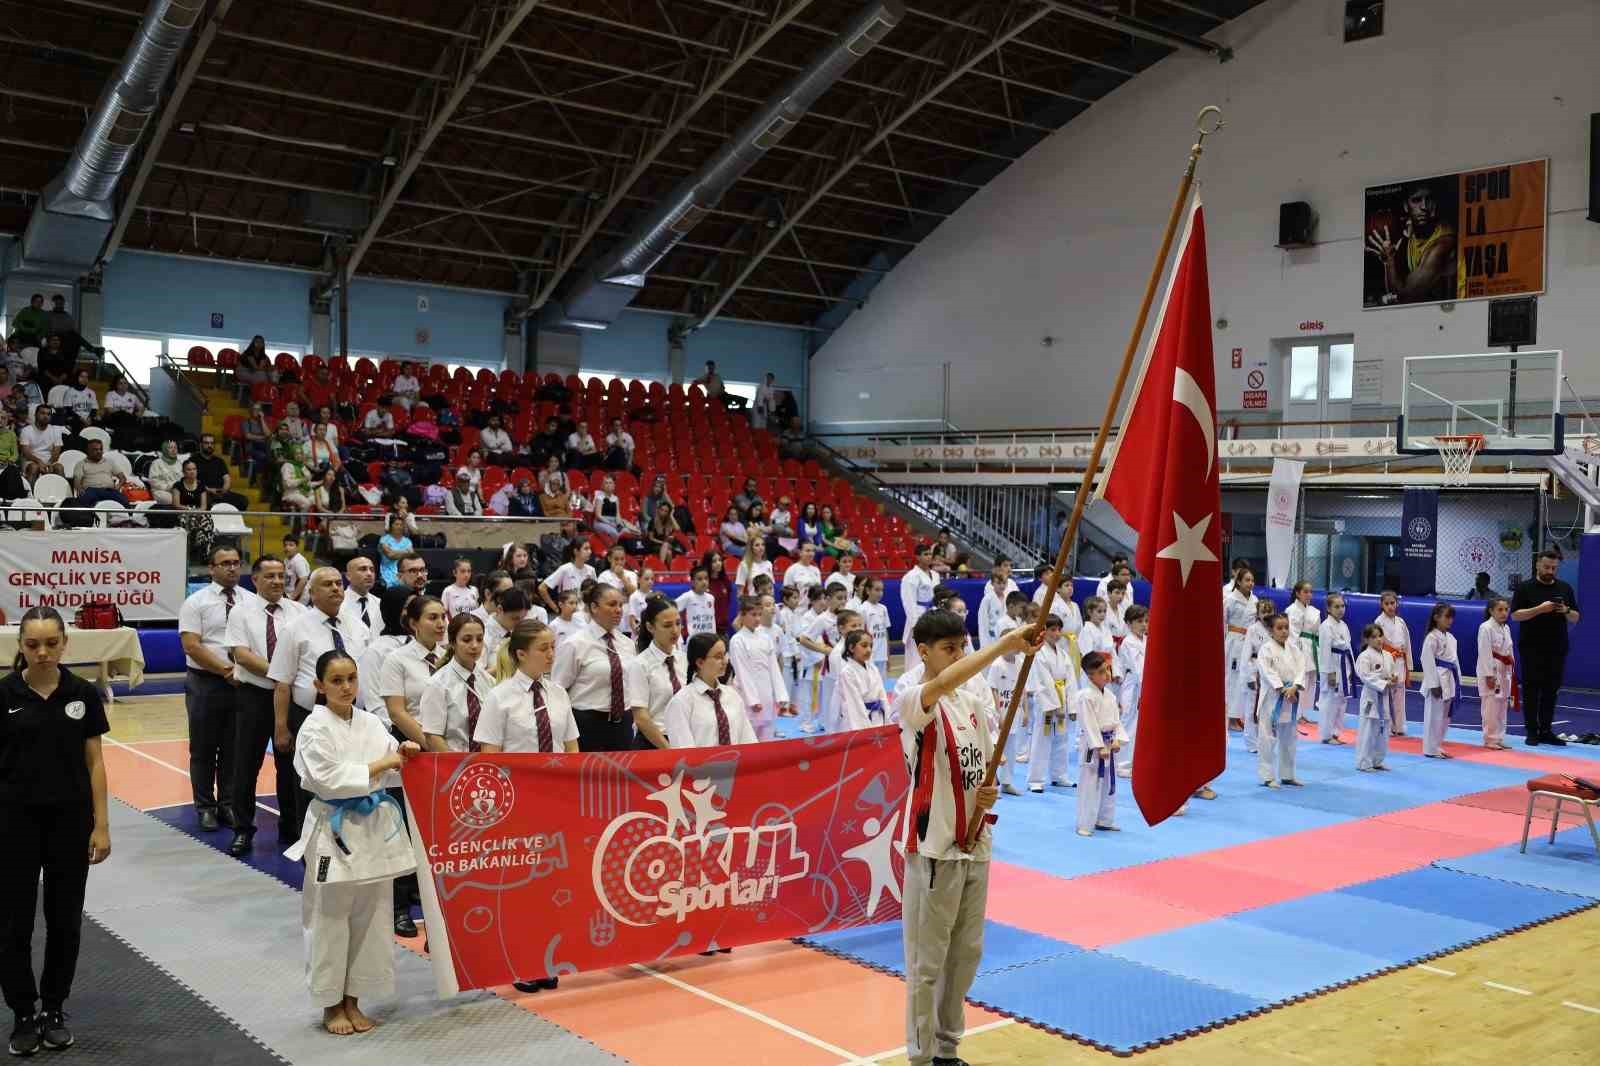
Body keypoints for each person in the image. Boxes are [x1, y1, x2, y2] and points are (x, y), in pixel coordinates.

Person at [895, 612, 1036, 1066]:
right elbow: (940, 687)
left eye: (962, 646)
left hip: (975, 842)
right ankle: (921, 1055)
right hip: (934, 846)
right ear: (924, 651)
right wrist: (1002, 646)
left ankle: (947, 1049)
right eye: (949, 648)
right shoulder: (912, 697)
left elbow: (977, 766)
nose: (957, 656)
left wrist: (986, 792)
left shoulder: (971, 702)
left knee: (966, 956)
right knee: (927, 963)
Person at [286, 649, 419, 1036]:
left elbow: (393, 757)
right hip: (333, 827)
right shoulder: (313, 728)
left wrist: (404, 752)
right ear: (319, 685)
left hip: (374, 826)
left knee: (373, 915)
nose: (346, 688)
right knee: (329, 917)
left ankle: (355, 999)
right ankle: (331, 1004)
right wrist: (383, 764)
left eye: (352, 679)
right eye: (337, 681)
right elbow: (327, 778)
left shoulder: (371, 723)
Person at [1, 607, 112, 1057]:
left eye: (51, 643)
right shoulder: (3, 694)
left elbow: (96, 762)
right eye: (32, 645)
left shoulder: (83, 693)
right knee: (13, 924)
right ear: (21, 646)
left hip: (70, 823)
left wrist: (101, 825)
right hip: (12, 823)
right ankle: (23, 1013)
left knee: (65, 921)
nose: (42, 652)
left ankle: (53, 1008)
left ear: (65, 643)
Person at [267, 568, 372, 841]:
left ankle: (347, 836)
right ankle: (306, 839)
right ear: (312, 593)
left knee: (347, 776)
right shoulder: (295, 628)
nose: (336, 588)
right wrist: (281, 726)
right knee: (306, 782)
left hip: (351, 716)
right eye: (327, 584)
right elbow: (282, 681)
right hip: (307, 715)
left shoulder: (357, 626)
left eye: (339, 583)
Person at [224, 555, 304, 856]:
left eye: (281, 575)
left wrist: (286, 678)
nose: (277, 581)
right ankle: (243, 829)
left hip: (289, 697)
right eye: (269, 576)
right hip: (254, 696)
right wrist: (280, 671)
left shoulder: (298, 612)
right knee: (246, 765)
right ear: (255, 580)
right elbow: (241, 655)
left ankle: (291, 828)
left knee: (290, 766)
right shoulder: (241, 613)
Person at [178, 545, 254, 831]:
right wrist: (225, 670)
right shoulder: (195, 602)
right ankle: (205, 807)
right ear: (212, 568)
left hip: (241, 684)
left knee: (234, 748)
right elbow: (191, 645)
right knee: (204, 749)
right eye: (225, 564)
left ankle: (227, 804)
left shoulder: (250, 600)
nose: (232, 568)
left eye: (236, 562)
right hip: (206, 683)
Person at [551, 584, 664, 751]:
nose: (618, 610)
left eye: (620, 605)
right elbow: (557, 690)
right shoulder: (574, 644)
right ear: (594, 607)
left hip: (623, 724)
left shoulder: (627, 644)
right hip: (587, 724)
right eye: (612, 605)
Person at [1510, 549, 1580, 746]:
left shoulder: (1565, 588)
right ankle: (1532, 730)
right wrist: (1539, 609)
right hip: (1532, 647)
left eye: (1554, 568)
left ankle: (1546, 730)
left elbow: (1576, 617)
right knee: (1532, 690)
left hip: (1556, 647)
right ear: (1538, 565)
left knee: (1551, 690)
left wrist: (1565, 610)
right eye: (1547, 567)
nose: (1550, 571)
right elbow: (1515, 615)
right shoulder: (1525, 588)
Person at [1366, 181, 1458, 304]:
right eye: (1416, 200)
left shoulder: (1442, 245)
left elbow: (1404, 298)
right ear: (1406, 206)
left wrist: (1389, 262)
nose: (1424, 206)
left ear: (1435, 204)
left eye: (1429, 199)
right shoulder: (1410, 233)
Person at [419, 614, 490, 753]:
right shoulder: (438, 684)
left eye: (479, 639)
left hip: (486, 765)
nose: (475, 645)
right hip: (454, 766)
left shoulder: (488, 680)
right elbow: (432, 736)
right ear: (452, 642)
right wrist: (459, 768)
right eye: (466, 639)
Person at [1074, 650, 1126, 836]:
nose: (1108, 674)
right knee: (1090, 783)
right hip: (1093, 745)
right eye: (1102, 672)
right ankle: (1084, 823)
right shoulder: (1085, 696)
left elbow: (1116, 721)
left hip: (1109, 742)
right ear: (1090, 675)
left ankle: (1104, 819)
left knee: (1109, 782)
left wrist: (1118, 738)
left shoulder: (1110, 696)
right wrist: (1100, 745)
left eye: (1108, 670)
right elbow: (1089, 724)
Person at [1256, 613, 1308, 788]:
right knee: (1267, 738)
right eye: (1280, 628)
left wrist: (1295, 686)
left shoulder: (1294, 649)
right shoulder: (1266, 649)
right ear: (1271, 630)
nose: (1284, 631)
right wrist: (1282, 688)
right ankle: (1267, 776)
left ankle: (1287, 774)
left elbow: (1302, 668)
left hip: (1291, 697)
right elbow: (1266, 671)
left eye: (1286, 627)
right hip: (1272, 698)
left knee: (1289, 738)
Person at [1026, 615, 1076, 793]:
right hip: (1047, 701)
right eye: (1053, 629)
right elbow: (1044, 681)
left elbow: (1071, 680)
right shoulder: (1040, 653)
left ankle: (1059, 775)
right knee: (1042, 739)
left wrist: (1072, 706)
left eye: (1059, 629)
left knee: (1062, 739)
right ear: (1043, 631)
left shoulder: (1062, 654)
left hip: (1062, 697)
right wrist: (1053, 705)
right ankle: (1036, 779)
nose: (1057, 633)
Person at [728, 596, 787, 740]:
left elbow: (774, 668)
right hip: (747, 696)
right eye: (753, 615)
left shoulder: (765, 638)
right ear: (742, 615)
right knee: (749, 739)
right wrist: (752, 700)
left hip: (767, 694)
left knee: (767, 739)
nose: (757, 619)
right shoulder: (737, 640)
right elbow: (742, 672)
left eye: (759, 614)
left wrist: (780, 694)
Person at [1418, 602, 1460, 759]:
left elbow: (1455, 662)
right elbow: (1426, 659)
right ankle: (1430, 748)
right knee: (1433, 715)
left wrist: (1458, 682)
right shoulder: (1432, 637)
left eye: (1452, 617)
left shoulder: (1451, 638)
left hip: (1449, 678)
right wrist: (1433, 684)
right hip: (1437, 677)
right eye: (1447, 617)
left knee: (1444, 716)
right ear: (1436, 618)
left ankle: (1437, 745)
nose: (1450, 620)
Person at [1354, 624, 1396, 772]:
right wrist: (1384, 682)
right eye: (1374, 637)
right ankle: (1364, 762)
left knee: (1382, 731)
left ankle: (1377, 760)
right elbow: (1365, 676)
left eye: (1380, 635)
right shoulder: (1364, 656)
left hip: (1384, 697)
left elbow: (1392, 673)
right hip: (1371, 698)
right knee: (1368, 730)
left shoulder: (1388, 656)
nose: (1378, 639)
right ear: (1366, 640)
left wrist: (1393, 679)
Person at [1476, 596, 1515, 751]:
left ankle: (1499, 737)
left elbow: (1510, 651)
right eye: (1500, 609)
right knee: (1490, 707)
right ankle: (1490, 738)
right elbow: (1484, 652)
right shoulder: (1485, 627)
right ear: (1491, 611)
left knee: (1502, 706)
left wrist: (1512, 669)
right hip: (1491, 669)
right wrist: (1489, 675)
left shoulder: (1506, 628)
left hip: (1504, 670)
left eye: (1506, 609)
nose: (1504, 612)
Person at [1222, 567, 1258, 733]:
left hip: (1249, 643)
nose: (1250, 583)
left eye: (1252, 580)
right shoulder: (1230, 599)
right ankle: (1230, 717)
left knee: (1245, 678)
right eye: (1247, 580)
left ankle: (1239, 715)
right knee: (1233, 678)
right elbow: (1222, 622)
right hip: (1234, 641)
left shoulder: (1255, 600)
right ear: (1238, 582)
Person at [1317, 592, 1355, 745]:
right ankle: (1326, 734)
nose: (1340, 609)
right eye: (1336, 606)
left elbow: (1349, 648)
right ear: (1328, 608)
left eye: (1342, 606)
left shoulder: (1343, 625)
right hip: (1332, 664)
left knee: (1341, 700)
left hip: (1343, 664)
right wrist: (1329, 672)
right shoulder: (1326, 626)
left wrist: (1352, 669)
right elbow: (1325, 651)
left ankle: (1335, 732)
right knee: (1329, 701)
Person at [1115, 604, 1148, 777]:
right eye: (1139, 621)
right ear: (1128, 623)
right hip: (1133, 685)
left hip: (1142, 684)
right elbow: (1138, 669)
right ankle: (1122, 764)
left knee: (1138, 725)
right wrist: (1144, 691)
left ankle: (1134, 760)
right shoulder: (1129, 642)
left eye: (1145, 621)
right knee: (1128, 723)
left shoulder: (1145, 640)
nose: (1144, 625)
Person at [1374, 590, 1413, 737]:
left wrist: (1409, 664)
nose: (1390, 606)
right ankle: (1386, 724)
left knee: (1399, 694)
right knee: (1386, 693)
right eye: (1387, 604)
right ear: (1382, 605)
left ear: (1397, 604)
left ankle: (1399, 725)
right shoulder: (1379, 621)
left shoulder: (1401, 622)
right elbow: (1377, 643)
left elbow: (1407, 644)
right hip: (1386, 659)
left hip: (1400, 661)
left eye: (1393, 603)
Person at [1286, 580, 1321, 726]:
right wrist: (1295, 652)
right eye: (1305, 591)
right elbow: (1292, 633)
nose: (1309, 594)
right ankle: (1297, 712)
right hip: (1299, 646)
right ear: (1297, 593)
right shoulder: (1292, 610)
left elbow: (1318, 632)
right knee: (1301, 679)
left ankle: (1305, 712)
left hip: (1313, 646)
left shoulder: (1313, 610)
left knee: (1311, 681)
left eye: (1310, 592)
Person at [899, 543, 937, 669]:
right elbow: (908, 602)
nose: (929, 556)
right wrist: (915, 625)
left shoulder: (935, 575)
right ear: (917, 557)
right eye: (925, 554)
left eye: (930, 554)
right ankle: (912, 685)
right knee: (915, 657)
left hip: (933, 615)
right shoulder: (910, 577)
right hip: (918, 615)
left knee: (931, 652)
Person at [192, 432, 249, 510]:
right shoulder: (193, 460)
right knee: (205, 501)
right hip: (203, 492)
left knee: (243, 501)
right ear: (201, 445)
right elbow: (192, 480)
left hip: (219, 493)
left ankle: (230, 520)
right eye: (206, 443)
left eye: (212, 443)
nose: (209, 445)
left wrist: (224, 490)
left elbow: (227, 479)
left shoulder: (219, 461)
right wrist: (208, 490)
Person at [540, 540, 596, 614]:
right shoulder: (565, 569)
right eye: (586, 549)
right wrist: (556, 609)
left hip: (587, 615)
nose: (590, 551)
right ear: (576, 551)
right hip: (569, 616)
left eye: (590, 548)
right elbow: (542, 588)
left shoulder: (591, 570)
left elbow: (596, 594)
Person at [71, 438, 131, 507]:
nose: (99, 451)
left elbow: (122, 478)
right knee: (82, 503)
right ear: (88, 451)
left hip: (109, 490)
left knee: (125, 502)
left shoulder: (109, 462)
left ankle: (128, 517)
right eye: (95, 450)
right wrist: (79, 488)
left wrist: (118, 486)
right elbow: (77, 479)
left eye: (100, 449)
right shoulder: (81, 464)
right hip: (91, 490)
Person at [977, 557, 1018, 648]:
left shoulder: (1009, 592)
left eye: (1004, 583)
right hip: (992, 637)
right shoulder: (987, 599)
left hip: (1007, 633)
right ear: (992, 583)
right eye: (999, 583)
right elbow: (983, 622)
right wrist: (984, 644)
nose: (1002, 586)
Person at [18, 404, 64, 481]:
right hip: (31, 461)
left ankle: (60, 492)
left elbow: (57, 452)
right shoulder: (26, 430)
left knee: (59, 467)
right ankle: (30, 493)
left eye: (48, 414)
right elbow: (26, 453)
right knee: (34, 467)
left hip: (50, 461)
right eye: (42, 413)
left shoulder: (55, 430)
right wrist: (39, 461)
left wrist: (49, 463)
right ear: (35, 415)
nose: (46, 416)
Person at [675, 566, 718, 641]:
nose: (704, 582)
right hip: (695, 640)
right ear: (692, 582)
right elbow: (672, 607)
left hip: (711, 639)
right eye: (700, 579)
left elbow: (712, 620)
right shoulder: (688, 596)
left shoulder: (711, 598)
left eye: (706, 578)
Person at [376, 515, 413, 588]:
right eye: (396, 524)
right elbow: (391, 556)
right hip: (388, 571)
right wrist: (405, 552)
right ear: (391, 526)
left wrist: (395, 552)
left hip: (404, 569)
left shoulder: (407, 541)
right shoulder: (384, 539)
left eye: (401, 525)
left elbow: (411, 556)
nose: (399, 527)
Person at [283, 534, 311, 604]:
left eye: (291, 545)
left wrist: (293, 597)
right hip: (288, 595)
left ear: (297, 547)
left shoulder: (298, 560)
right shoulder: (286, 560)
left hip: (299, 598)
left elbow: (303, 579)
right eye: (285, 545)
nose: (287, 548)